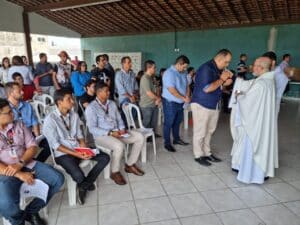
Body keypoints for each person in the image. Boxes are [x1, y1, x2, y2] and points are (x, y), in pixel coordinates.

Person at [0, 98, 64, 225]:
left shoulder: (19, 124)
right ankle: (19, 220)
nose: (13, 113)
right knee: (6, 205)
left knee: (57, 179)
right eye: (8, 112)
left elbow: (32, 146)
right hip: (5, 171)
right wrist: (19, 174)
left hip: (26, 162)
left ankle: (31, 211)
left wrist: (20, 164)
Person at [43, 89, 109, 204]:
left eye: (72, 98)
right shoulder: (50, 120)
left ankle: (84, 185)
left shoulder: (74, 115)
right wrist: (76, 153)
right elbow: (55, 145)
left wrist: (83, 147)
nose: (73, 101)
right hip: (63, 154)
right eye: (69, 99)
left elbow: (79, 134)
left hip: (77, 148)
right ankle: (84, 184)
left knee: (105, 158)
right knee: (78, 175)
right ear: (59, 102)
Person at [229, 57, 278, 184]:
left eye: (255, 65)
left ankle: (251, 174)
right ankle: (261, 172)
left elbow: (248, 103)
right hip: (261, 122)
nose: (252, 67)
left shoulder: (261, 84)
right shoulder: (268, 81)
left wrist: (239, 95)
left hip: (255, 124)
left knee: (253, 146)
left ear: (261, 68)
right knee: (262, 146)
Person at [86, 83, 145, 185]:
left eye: (109, 90)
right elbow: (92, 128)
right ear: (99, 92)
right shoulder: (91, 108)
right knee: (119, 146)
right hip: (103, 136)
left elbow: (119, 119)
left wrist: (122, 128)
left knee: (139, 137)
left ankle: (130, 164)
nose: (109, 93)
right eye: (106, 91)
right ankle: (115, 172)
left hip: (117, 132)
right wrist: (110, 132)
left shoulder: (112, 104)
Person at [191, 49, 233, 166]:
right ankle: (198, 155)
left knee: (210, 131)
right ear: (219, 59)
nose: (227, 65)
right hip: (202, 104)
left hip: (213, 104)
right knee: (200, 131)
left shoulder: (217, 69)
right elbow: (207, 88)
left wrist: (225, 83)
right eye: (226, 62)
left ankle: (207, 152)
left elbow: (216, 85)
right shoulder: (206, 68)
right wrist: (222, 79)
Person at [5, 82, 51, 162]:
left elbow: (34, 121)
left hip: (30, 134)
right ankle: (26, 163)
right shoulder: (4, 109)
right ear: (11, 93)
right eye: (19, 91)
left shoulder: (27, 105)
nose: (22, 92)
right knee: (21, 151)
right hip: (13, 137)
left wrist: (37, 136)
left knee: (50, 144)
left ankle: (37, 162)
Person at [162, 55, 190, 152]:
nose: (185, 69)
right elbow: (171, 90)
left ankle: (176, 139)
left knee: (177, 122)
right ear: (179, 64)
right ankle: (167, 143)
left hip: (180, 102)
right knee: (169, 123)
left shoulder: (183, 72)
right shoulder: (169, 73)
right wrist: (183, 98)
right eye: (184, 66)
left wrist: (187, 95)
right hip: (170, 102)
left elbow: (187, 85)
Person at [139, 60, 161, 134]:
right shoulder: (145, 78)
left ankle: (152, 135)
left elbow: (154, 90)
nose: (155, 69)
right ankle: (144, 138)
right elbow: (149, 93)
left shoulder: (151, 78)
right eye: (154, 67)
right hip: (146, 105)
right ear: (149, 68)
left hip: (153, 103)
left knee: (153, 122)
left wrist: (157, 99)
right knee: (146, 123)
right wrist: (158, 98)